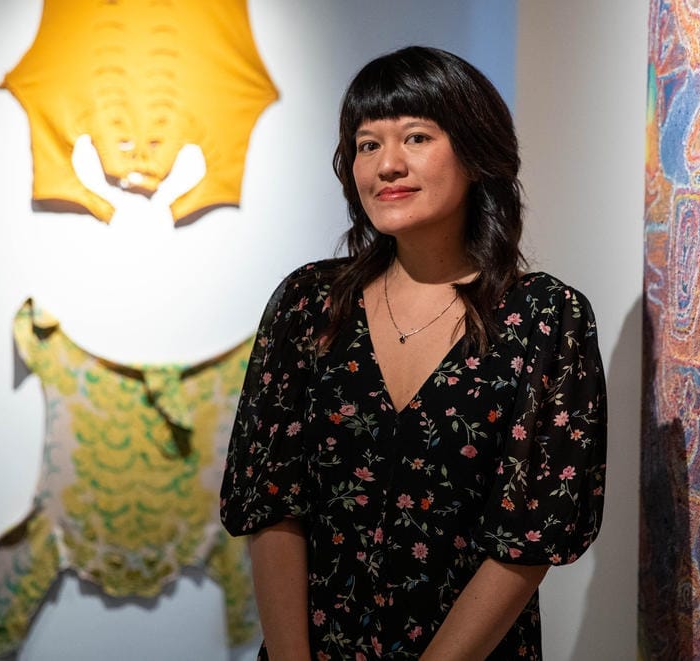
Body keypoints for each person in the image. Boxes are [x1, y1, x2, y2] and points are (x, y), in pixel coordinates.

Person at [220, 45, 607, 660]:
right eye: (367, 144)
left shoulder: (545, 320)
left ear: (477, 154)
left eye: (416, 137)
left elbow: (529, 536)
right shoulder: (308, 305)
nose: (387, 165)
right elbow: (271, 501)